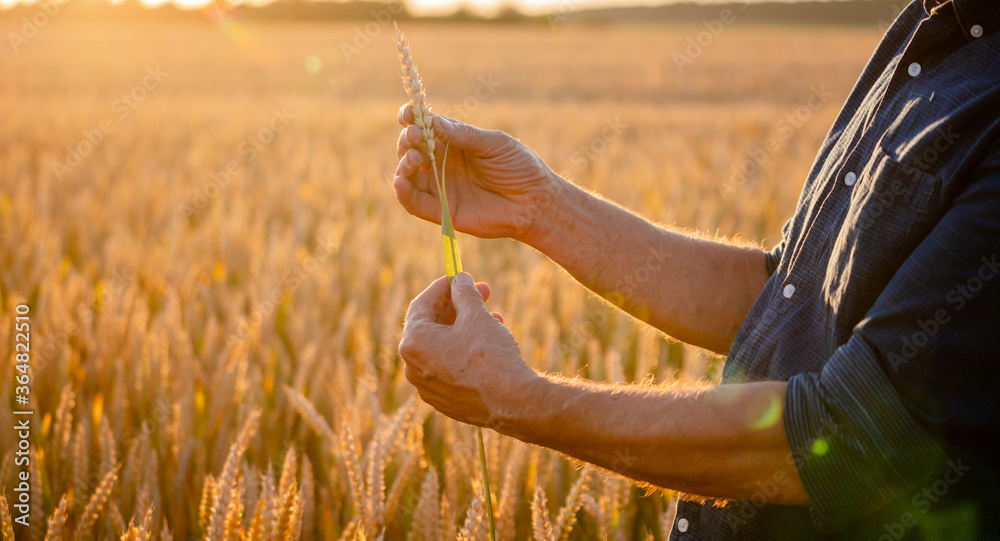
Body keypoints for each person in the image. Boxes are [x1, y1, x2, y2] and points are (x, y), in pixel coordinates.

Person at [392, 0, 999, 538]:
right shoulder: (933, 26)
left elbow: (851, 439)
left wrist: (515, 399)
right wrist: (540, 207)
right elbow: (795, 301)